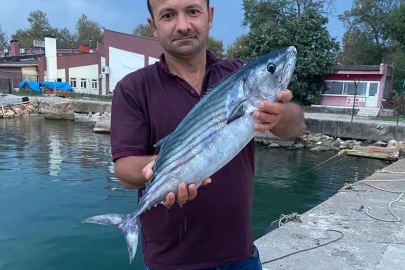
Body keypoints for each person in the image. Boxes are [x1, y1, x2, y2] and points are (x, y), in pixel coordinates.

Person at [110, 0, 305, 269]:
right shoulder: (133, 88)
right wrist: (168, 169)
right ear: (153, 26)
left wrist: (279, 113)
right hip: (170, 263)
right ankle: (129, 221)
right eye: (168, 15)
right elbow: (123, 171)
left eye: (193, 11)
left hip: (241, 257)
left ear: (210, 17)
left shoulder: (239, 72)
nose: (183, 25)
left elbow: (296, 129)